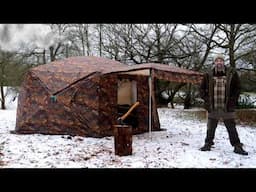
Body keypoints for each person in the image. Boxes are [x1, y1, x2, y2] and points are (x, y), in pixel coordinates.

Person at [199, 54, 248, 155]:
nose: (219, 62)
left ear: (223, 62)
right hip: (213, 106)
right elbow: (201, 89)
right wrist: (207, 100)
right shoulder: (208, 74)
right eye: (217, 60)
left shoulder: (231, 73)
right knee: (210, 127)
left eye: (221, 60)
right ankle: (208, 144)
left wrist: (233, 100)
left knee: (231, 127)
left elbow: (237, 88)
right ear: (214, 62)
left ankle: (237, 146)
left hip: (227, 107)